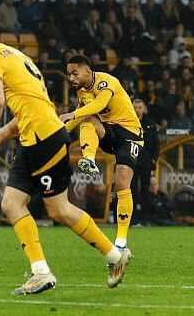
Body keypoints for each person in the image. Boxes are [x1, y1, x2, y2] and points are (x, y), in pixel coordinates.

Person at [0, 14, 130, 295]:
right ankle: (41, 271)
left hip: (44, 139)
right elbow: (28, 109)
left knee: (59, 209)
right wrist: (1, 135)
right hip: (35, 138)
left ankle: (114, 256)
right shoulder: (19, 57)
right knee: (11, 203)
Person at [60, 54, 143, 250]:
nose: (71, 78)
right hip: (110, 133)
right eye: (68, 74)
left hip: (129, 134)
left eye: (74, 73)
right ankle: (89, 159)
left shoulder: (106, 81)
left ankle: (121, 241)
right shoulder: (82, 91)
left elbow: (99, 105)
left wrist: (73, 113)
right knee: (88, 120)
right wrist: (57, 133)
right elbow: (79, 117)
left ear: (87, 71)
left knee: (121, 181)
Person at [131, 98, 159, 224]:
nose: (137, 110)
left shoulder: (150, 124)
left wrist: (153, 159)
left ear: (144, 109)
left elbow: (156, 144)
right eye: (135, 107)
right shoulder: (128, 122)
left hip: (146, 162)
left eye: (139, 107)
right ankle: (132, 218)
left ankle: (145, 218)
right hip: (131, 160)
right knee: (131, 190)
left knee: (145, 190)